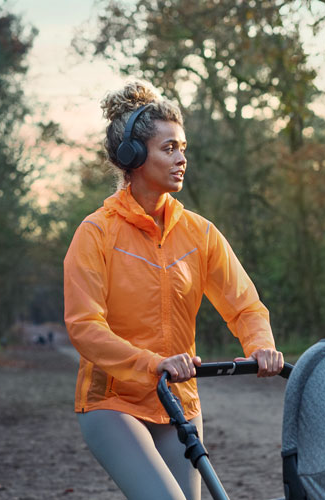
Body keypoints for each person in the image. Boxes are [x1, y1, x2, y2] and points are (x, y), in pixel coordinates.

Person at [63, 80, 284, 500]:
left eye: (183, 148)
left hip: (177, 400)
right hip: (113, 402)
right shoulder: (95, 234)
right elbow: (84, 327)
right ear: (132, 156)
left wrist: (261, 346)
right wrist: (152, 364)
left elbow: (244, 305)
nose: (182, 159)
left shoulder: (200, 234)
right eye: (169, 149)